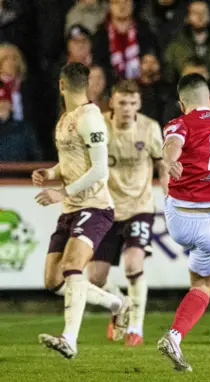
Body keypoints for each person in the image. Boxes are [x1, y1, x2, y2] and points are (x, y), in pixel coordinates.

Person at [32, 63, 131, 359]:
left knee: (73, 265)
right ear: (85, 84)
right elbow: (73, 164)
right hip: (70, 208)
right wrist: (50, 173)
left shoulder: (91, 118)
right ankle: (118, 304)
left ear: (61, 85)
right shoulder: (66, 120)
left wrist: (61, 190)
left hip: (96, 206)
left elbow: (100, 170)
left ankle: (69, 339)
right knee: (53, 281)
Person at [156, 73, 210, 372]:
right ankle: (175, 336)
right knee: (204, 286)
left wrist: (168, 161)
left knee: (197, 283)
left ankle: (176, 337)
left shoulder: (178, 123)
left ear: (181, 103)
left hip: (179, 217)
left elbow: (173, 144)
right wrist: (170, 157)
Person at [84, 80, 167, 347]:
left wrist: (169, 192)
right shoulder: (99, 129)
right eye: (122, 102)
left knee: (134, 265)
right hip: (105, 209)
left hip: (139, 208)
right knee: (95, 279)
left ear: (139, 104)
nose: (127, 108)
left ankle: (135, 329)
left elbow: (162, 164)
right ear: (112, 103)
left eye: (132, 103)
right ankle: (120, 305)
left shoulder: (149, 128)